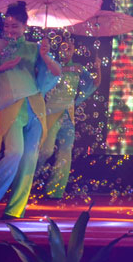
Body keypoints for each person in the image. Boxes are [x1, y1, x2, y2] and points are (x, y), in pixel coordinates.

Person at [0, 1, 61, 219]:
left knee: (30, 158)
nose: (10, 30)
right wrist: (0, 68)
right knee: (14, 154)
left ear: (25, 27)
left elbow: (57, 72)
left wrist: (46, 56)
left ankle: (15, 210)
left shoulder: (34, 48)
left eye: (15, 26)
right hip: (11, 106)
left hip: (35, 106)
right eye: (7, 26)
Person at [35, 40, 99, 199]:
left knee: (65, 154)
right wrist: (67, 69)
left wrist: (98, 67)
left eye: (70, 47)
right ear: (59, 49)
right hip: (50, 112)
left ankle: (54, 192)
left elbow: (93, 84)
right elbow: (42, 78)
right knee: (45, 150)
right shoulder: (51, 63)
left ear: (74, 50)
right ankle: (27, 181)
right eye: (64, 47)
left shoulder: (78, 68)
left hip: (68, 115)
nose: (67, 50)